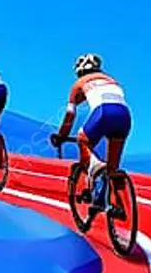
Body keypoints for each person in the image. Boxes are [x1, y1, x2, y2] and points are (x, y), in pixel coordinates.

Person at [49, 53, 132, 217]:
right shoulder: (111, 80)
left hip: (104, 112)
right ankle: (117, 206)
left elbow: (70, 115)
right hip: (124, 116)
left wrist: (61, 135)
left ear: (79, 71)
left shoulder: (79, 83)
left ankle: (95, 166)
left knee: (82, 139)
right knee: (112, 169)